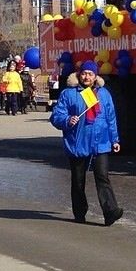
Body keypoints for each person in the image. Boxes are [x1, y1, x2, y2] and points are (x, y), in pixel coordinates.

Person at [50, 60, 123, 226]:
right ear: (79, 75)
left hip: (101, 143)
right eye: (84, 73)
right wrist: (68, 120)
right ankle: (80, 212)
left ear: (95, 76)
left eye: (90, 74)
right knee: (78, 180)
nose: (87, 77)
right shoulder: (69, 94)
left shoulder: (103, 94)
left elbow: (110, 118)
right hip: (78, 142)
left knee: (103, 177)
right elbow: (56, 116)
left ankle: (110, 211)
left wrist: (115, 139)